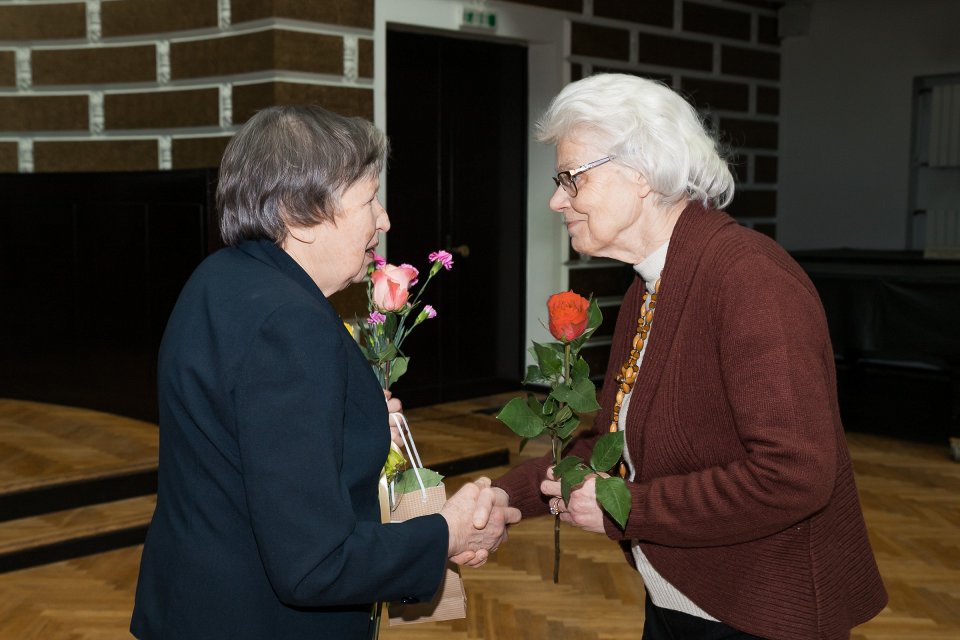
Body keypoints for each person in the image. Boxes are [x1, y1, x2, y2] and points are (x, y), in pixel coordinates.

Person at [482, 74, 887, 639]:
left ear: (641, 173)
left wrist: (630, 510)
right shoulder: (651, 284)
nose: (556, 200)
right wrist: (509, 496)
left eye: (571, 179)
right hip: (686, 594)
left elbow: (795, 475)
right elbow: (620, 441)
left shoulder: (749, 280)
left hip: (760, 612)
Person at [130, 105, 520, 639]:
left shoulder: (221, 277)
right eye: (368, 200)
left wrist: (349, 418)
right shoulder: (289, 322)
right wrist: (444, 535)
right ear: (300, 214)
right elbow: (313, 564)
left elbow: (243, 438)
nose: (384, 220)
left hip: (196, 604)